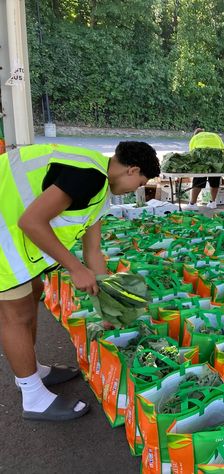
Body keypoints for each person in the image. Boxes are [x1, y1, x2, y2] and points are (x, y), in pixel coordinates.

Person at [0, 141, 160, 421]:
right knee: (16, 316)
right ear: (132, 170)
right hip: (5, 230)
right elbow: (31, 222)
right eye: (141, 182)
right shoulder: (89, 175)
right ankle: (32, 396)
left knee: (35, 290)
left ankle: (31, 370)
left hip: (11, 231)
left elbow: (93, 252)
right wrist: (74, 268)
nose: (137, 190)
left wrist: (108, 305)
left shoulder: (101, 190)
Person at [187, 128, 224, 210]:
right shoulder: (215, 135)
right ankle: (213, 202)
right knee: (215, 179)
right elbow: (223, 150)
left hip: (202, 160)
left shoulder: (194, 138)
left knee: (198, 180)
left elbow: (191, 154)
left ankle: (192, 203)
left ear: (195, 134)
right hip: (216, 159)